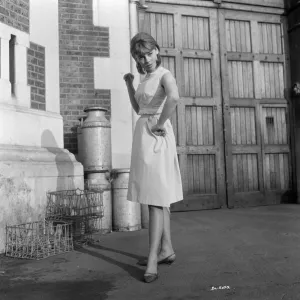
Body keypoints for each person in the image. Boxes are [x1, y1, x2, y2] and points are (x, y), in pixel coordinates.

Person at [123, 32, 183, 283]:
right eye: (140, 56)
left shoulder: (164, 75)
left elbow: (175, 97)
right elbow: (139, 109)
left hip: (157, 137)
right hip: (143, 136)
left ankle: (151, 260)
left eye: (149, 53)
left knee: (156, 199)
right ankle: (166, 249)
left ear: (157, 50)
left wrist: (160, 122)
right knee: (155, 195)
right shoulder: (145, 77)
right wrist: (129, 84)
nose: (145, 59)